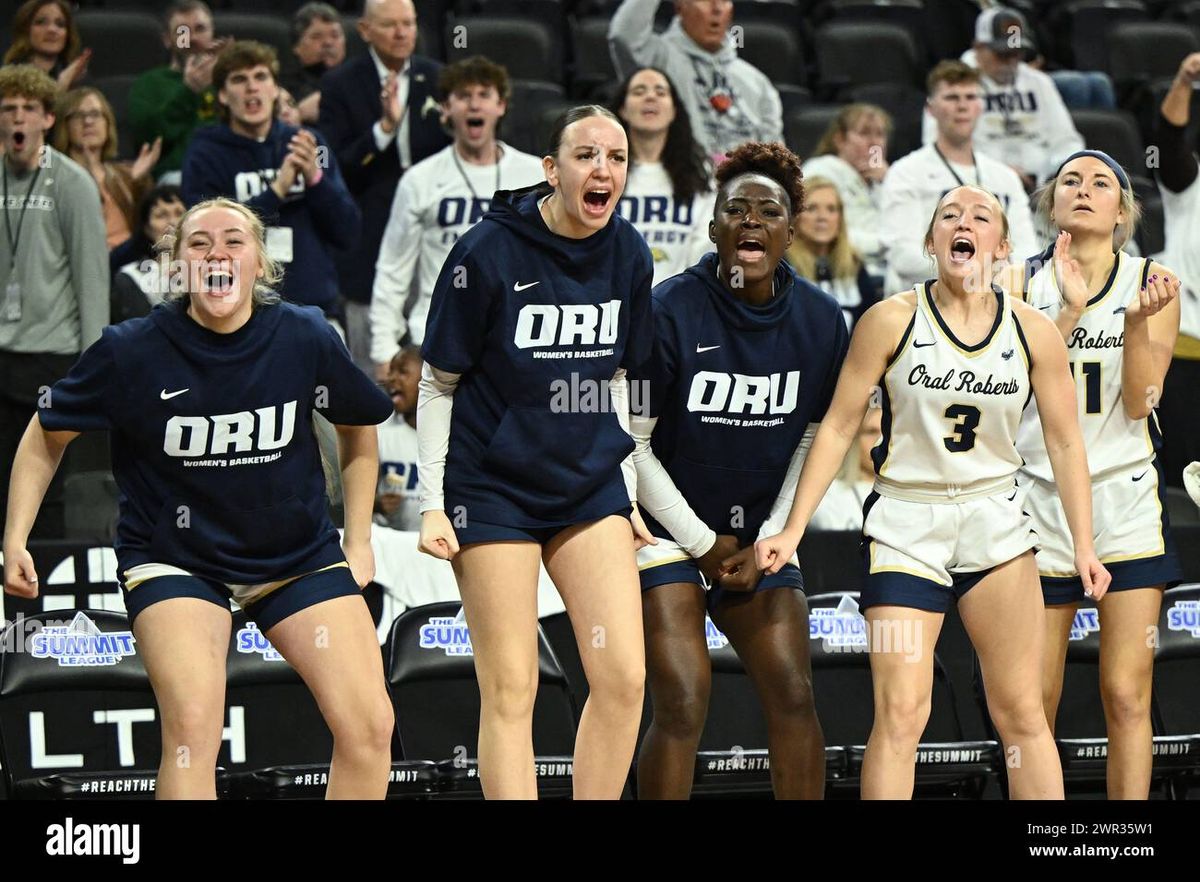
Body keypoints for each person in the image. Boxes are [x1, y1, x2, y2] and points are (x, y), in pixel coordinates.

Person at [3, 197, 396, 800]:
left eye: (234, 241)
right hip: (175, 558)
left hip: (294, 553)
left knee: (370, 728)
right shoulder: (130, 349)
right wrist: (14, 536)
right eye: (199, 243)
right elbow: (45, 433)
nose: (217, 252)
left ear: (260, 262)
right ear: (176, 266)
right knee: (191, 732)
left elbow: (359, 425)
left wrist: (360, 538)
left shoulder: (304, 333)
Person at [756, 184, 1111, 799]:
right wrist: (791, 527)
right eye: (949, 215)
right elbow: (839, 425)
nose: (962, 224)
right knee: (901, 715)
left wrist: (1084, 543)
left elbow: (1065, 443)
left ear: (1002, 248)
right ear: (930, 241)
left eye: (979, 217)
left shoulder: (1034, 332)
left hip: (995, 519)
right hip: (906, 521)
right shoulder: (890, 319)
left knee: (1023, 715)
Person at [416, 105, 655, 799]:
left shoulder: (630, 252)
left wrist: (630, 489)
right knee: (513, 686)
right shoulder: (486, 252)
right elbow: (438, 384)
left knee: (624, 677)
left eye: (616, 158)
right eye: (585, 156)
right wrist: (434, 505)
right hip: (493, 490)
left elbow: (618, 382)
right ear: (551, 170)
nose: (602, 169)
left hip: (587, 486)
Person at [630, 141, 847, 800]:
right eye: (736, 210)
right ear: (713, 225)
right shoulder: (667, 309)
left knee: (791, 689)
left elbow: (815, 440)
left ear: (792, 227)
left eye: (769, 211)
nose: (751, 221)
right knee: (683, 698)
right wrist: (699, 542)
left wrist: (775, 537)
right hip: (663, 530)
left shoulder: (819, 320)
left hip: (760, 532)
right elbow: (630, 445)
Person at [1009, 150, 1183, 799]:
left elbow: (1143, 401)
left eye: (1100, 182)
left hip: (1124, 497)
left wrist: (1136, 326)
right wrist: (1070, 314)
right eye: (1070, 181)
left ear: (1122, 211)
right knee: (1034, 700)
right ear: (1052, 203)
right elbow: (1007, 393)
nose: (1083, 190)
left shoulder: (1153, 283)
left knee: (1126, 693)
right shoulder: (1017, 280)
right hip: (1036, 497)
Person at [368, 55, 542, 371]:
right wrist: (383, 348)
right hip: (436, 338)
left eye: (484, 95)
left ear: (501, 106)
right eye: (463, 96)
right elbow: (393, 268)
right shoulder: (420, 179)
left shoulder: (534, 175)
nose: (474, 105)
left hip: (521, 336)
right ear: (446, 109)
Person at [0, 65, 108, 540]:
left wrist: (94, 366)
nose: (17, 117)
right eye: (7, 108)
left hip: (52, 356)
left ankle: (36, 596)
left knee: (44, 489)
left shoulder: (72, 181)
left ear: (47, 119)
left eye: (27, 108)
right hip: (2, 354)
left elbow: (91, 277)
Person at [182, 41, 360, 322]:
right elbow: (208, 239)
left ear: (275, 89)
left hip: (316, 309)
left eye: (261, 77)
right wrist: (277, 190)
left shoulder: (307, 143)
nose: (252, 87)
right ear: (223, 97)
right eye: (239, 80)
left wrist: (315, 179)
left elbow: (347, 231)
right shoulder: (205, 153)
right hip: (242, 314)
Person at [319, 0, 451, 371]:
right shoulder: (340, 84)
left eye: (408, 24)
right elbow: (335, 167)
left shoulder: (440, 78)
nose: (402, 32)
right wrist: (384, 131)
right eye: (391, 25)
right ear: (365, 31)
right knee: (372, 366)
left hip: (432, 235)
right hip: (369, 233)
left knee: (436, 358)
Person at [881, 60, 1038, 296]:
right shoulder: (906, 173)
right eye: (952, 98)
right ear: (930, 108)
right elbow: (904, 257)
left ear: (980, 106)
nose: (962, 106)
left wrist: (982, 278)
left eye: (970, 97)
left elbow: (1026, 253)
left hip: (994, 305)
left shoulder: (1004, 178)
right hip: (922, 303)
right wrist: (974, 273)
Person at [920, 6, 1084, 191]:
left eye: (1016, 53)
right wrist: (997, 174)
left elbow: (1067, 141)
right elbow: (935, 146)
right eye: (1002, 54)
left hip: (1041, 189)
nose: (1011, 62)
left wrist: (1052, 176)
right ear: (978, 47)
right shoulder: (954, 83)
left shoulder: (1039, 83)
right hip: (977, 186)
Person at [608, 0, 783, 164]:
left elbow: (775, 161)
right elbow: (623, 36)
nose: (717, 8)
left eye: (724, 0)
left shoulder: (758, 83)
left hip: (742, 189)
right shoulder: (657, 59)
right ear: (680, 6)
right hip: (680, 185)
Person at [609, 66, 715, 287]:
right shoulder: (603, 171)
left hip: (680, 303)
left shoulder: (702, 174)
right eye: (639, 91)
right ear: (623, 109)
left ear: (674, 110)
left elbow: (705, 249)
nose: (650, 96)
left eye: (660, 92)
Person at [1152, 53, 1200, 490]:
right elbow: (1169, 139)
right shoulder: (1190, 183)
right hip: (1187, 353)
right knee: (1183, 484)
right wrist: (1184, 79)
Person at [53, 87, 163, 251]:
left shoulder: (124, 173)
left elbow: (147, 228)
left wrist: (138, 182)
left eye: (96, 114)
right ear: (64, 125)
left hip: (128, 261)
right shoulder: (56, 176)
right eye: (78, 115)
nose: (88, 122)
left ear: (107, 123)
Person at [128, 0, 224, 183]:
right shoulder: (149, 84)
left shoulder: (228, 79)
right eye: (183, 32)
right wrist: (188, 91)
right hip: (176, 176)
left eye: (200, 29)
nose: (193, 38)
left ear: (212, 33)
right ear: (167, 39)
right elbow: (147, 138)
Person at [802, 104, 892, 279]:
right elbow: (822, 232)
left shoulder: (890, 178)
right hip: (842, 269)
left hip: (887, 268)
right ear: (840, 140)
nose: (874, 142)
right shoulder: (820, 172)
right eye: (864, 133)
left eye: (880, 134)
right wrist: (886, 244)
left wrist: (890, 182)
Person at [787, 176, 882, 333]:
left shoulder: (854, 264)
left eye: (831, 209)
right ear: (796, 217)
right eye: (811, 208)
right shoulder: (782, 266)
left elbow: (871, 327)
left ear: (840, 219)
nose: (822, 217)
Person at [111, 185, 186, 324]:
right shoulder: (130, 276)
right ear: (146, 228)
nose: (172, 222)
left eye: (179, 213)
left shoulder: (205, 268)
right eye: (161, 215)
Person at [809, 407, 881, 532]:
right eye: (871, 432)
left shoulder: (912, 494)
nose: (880, 441)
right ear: (853, 439)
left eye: (889, 432)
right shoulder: (826, 496)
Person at [375, 345, 421, 532]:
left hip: (439, 548)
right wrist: (376, 504)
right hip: (390, 544)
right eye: (391, 371)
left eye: (402, 372)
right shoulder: (379, 434)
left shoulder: (453, 437)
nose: (391, 378)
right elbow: (349, 496)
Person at [3, 0, 89, 92]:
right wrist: (61, 86)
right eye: (41, 22)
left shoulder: (79, 80)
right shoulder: (8, 79)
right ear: (26, 30)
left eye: (60, 24)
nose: (52, 30)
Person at [284, 2, 346, 124]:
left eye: (335, 35)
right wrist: (299, 113)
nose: (328, 42)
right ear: (296, 46)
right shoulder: (282, 85)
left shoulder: (358, 77)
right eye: (317, 37)